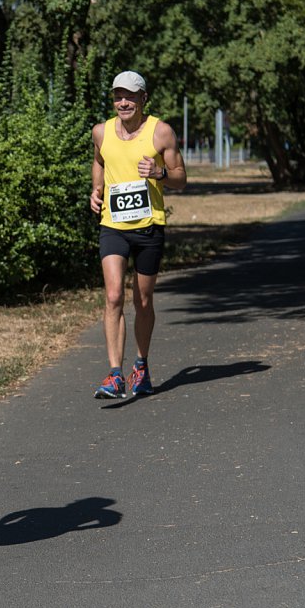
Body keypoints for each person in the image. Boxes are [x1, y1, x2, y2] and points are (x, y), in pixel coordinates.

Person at [89, 71, 187, 399]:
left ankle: (141, 365)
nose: (123, 102)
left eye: (130, 96)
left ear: (143, 98)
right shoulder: (101, 132)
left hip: (149, 227)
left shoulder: (161, 132)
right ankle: (115, 374)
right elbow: (99, 161)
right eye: (118, 96)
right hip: (113, 225)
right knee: (114, 295)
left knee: (142, 301)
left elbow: (181, 178)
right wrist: (96, 189)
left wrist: (159, 173)